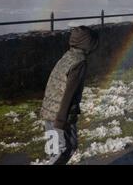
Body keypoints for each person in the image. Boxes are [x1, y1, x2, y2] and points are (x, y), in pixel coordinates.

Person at [40, 26, 99, 165]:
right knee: (66, 148)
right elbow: (69, 93)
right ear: (87, 43)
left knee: (55, 150)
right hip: (61, 115)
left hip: (49, 111)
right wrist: (61, 121)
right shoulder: (79, 63)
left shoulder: (67, 56)